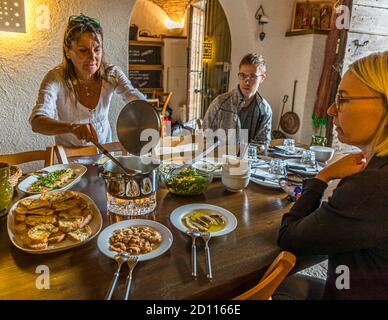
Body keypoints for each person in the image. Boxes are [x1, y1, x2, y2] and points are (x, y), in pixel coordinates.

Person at [277, 51, 388, 299]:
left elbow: (289, 236)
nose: (330, 110)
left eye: (343, 99)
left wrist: (321, 177)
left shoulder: (372, 188)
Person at [30, 14, 145, 147]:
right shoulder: (56, 78)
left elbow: (131, 94)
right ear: (68, 51)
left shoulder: (111, 73)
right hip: (71, 161)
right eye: (83, 50)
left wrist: (148, 113)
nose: (92, 57)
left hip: (105, 157)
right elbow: (37, 122)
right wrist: (72, 127)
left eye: (97, 49)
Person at [202, 53, 272, 145]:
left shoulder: (265, 110)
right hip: (218, 157)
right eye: (243, 75)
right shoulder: (220, 103)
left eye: (252, 76)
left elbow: (262, 145)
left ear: (262, 78)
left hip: (249, 158)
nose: (246, 81)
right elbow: (205, 139)